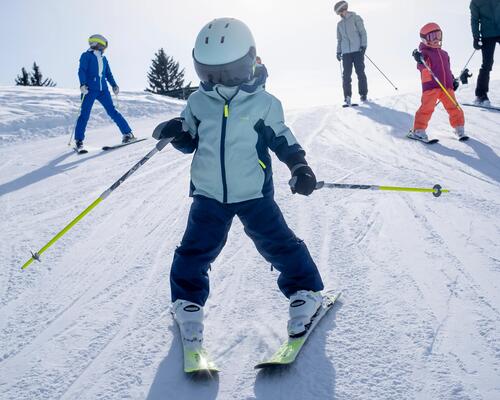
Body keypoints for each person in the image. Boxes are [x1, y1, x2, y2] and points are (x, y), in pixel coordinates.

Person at [152, 18, 324, 344]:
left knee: (278, 244)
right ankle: (187, 302)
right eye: (210, 74)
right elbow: (190, 141)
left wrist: (299, 167)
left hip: (253, 192)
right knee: (194, 251)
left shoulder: (265, 103)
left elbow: (282, 140)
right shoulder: (198, 102)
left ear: (249, 61)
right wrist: (177, 132)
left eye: (229, 73)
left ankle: (306, 292)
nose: (221, 82)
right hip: (208, 193)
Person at [74, 34, 134, 150]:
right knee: (84, 114)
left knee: (113, 112)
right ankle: (79, 140)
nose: (104, 49)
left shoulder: (104, 59)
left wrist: (114, 85)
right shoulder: (86, 56)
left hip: (103, 90)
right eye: (104, 46)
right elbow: (82, 71)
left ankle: (127, 134)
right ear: (97, 44)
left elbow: (108, 74)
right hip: (89, 90)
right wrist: (82, 84)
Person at [409, 23, 466, 141]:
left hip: (446, 86)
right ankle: (418, 130)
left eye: (438, 35)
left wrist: (452, 80)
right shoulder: (424, 53)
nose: (436, 39)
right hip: (431, 85)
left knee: (454, 107)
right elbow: (421, 66)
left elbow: (447, 69)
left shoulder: (444, 54)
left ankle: (458, 127)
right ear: (424, 39)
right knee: (427, 108)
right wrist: (419, 58)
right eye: (431, 37)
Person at [334, 1, 368, 105]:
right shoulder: (339, 24)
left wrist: (363, 46)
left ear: (344, 9)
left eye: (340, 11)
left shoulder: (356, 18)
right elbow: (339, 40)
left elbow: (363, 32)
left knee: (360, 73)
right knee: (346, 76)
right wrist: (338, 51)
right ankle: (347, 96)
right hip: (346, 53)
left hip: (357, 51)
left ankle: (363, 94)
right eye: (339, 13)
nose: (340, 14)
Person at [470, 0, 500, 105]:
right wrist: (476, 36)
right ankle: (481, 95)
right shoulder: (475, 2)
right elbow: (474, 19)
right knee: (487, 64)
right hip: (488, 34)